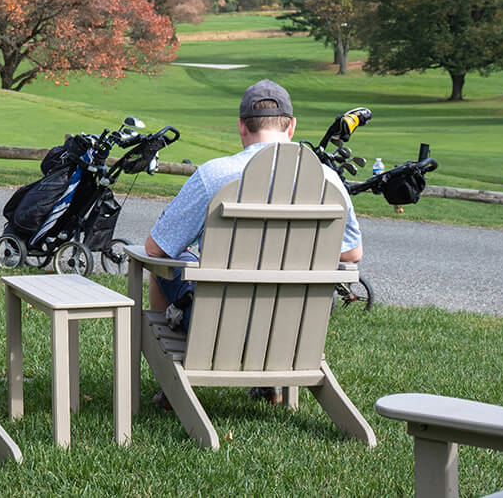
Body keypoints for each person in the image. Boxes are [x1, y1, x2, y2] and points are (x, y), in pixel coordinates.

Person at [143, 80, 362, 404]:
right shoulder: (327, 180)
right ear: (291, 127)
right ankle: (268, 379)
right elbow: (352, 253)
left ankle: (171, 384)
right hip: (293, 333)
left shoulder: (215, 175)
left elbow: (155, 250)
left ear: (242, 127)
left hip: (216, 331)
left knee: (163, 270)